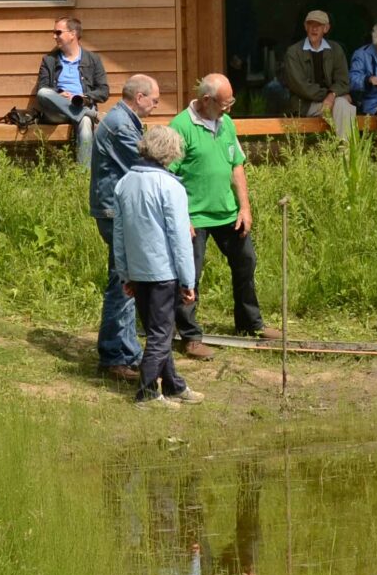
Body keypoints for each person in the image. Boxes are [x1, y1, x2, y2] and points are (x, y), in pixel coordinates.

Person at [170, 72, 268, 356]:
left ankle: (250, 324)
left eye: (231, 102)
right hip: (194, 216)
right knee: (190, 276)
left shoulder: (226, 123)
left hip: (227, 213)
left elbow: (237, 166)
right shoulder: (180, 126)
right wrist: (182, 218)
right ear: (206, 100)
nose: (229, 108)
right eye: (225, 103)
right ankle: (189, 336)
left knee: (246, 262)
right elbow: (169, 175)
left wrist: (245, 207)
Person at [108, 123, 204, 407]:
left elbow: (119, 234)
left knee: (157, 332)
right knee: (162, 335)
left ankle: (174, 385)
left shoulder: (124, 182)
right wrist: (188, 280)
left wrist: (125, 273)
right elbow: (179, 238)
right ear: (170, 152)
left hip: (137, 270)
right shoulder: (171, 186)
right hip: (163, 272)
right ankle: (148, 392)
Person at [90, 74, 168, 380]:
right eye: (154, 99)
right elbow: (146, 161)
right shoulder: (122, 124)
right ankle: (113, 356)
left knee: (128, 280)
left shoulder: (124, 119)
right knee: (122, 283)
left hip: (115, 208)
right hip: (113, 211)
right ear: (139, 97)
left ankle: (127, 350)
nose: (156, 104)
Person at [32, 16, 111, 168]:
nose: (54, 36)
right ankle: (91, 114)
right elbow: (42, 88)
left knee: (86, 124)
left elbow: (103, 91)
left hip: (81, 104)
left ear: (72, 34)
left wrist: (85, 97)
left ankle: (83, 178)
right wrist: (59, 94)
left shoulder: (93, 59)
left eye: (58, 32)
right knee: (44, 93)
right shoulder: (49, 60)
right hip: (57, 111)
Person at [278, 9, 356, 137]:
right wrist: (330, 96)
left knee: (343, 105)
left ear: (326, 28)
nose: (314, 29)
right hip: (305, 105)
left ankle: (345, 152)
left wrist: (332, 97)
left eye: (318, 25)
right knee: (343, 104)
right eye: (310, 25)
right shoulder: (293, 52)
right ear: (305, 27)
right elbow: (300, 86)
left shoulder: (336, 49)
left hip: (331, 102)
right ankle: (347, 153)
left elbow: (343, 81)